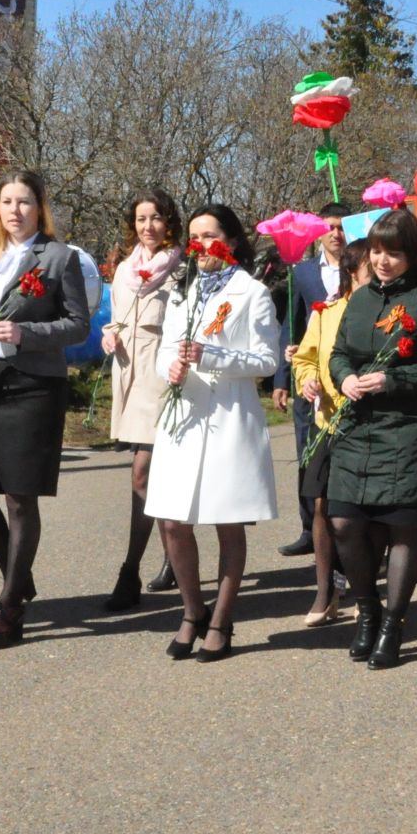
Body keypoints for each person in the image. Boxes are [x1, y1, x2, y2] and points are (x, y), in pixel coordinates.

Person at [0, 170, 91, 649]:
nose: (14, 210)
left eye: (24, 202)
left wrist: (24, 334)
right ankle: (19, 577)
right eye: (6, 202)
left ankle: (9, 608)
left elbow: (76, 325)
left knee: (18, 498)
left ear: (39, 207)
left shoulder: (58, 257)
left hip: (34, 387)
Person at [326, 209, 417, 670]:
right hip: (357, 427)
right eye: (378, 251)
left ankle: (393, 624)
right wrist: (343, 378)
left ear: (413, 255)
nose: (383, 261)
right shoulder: (361, 299)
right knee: (344, 524)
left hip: (409, 430)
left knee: (403, 529)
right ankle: (367, 610)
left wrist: (394, 380)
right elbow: (339, 352)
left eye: (394, 253)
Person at [146, 204, 279, 664]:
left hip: (228, 417)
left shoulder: (253, 292)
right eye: (195, 237)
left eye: (210, 236)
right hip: (183, 415)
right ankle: (192, 610)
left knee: (226, 520)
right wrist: (173, 366)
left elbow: (268, 360)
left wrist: (213, 355)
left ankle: (222, 620)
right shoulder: (181, 292)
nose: (201, 245)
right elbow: (163, 351)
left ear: (232, 241)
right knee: (171, 520)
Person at [99, 190, 184, 611]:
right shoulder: (125, 269)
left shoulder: (180, 269)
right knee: (156, 474)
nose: (147, 227)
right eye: (140, 219)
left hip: (161, 376)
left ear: (169, 222)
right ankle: (174, 557)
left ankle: (128, 570)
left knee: (143, 473)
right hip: (128, 372)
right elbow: (114, 315)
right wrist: (108, 332)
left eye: (155, 218)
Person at [290, 240, 370, 624]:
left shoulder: (388, 314)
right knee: (321, 506)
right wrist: (307, 380)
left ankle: (366, 590)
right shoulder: (325, 313)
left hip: (371, 427)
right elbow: (305, 357)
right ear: (352, 272)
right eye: (369, 267)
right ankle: (325, 592)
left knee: (362, 514)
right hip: (328, 424)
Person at [274, 202, 349, 558]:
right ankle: (310, 527)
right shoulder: (302, 273)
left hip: (346, 381)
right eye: (330, 227)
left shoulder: (360, 270)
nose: (336, 234)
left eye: (342, 227)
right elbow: (292, 324)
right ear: (319, 232)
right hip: (309, 380)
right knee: (307, 453)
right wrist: (281, 377)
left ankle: (346, 526)